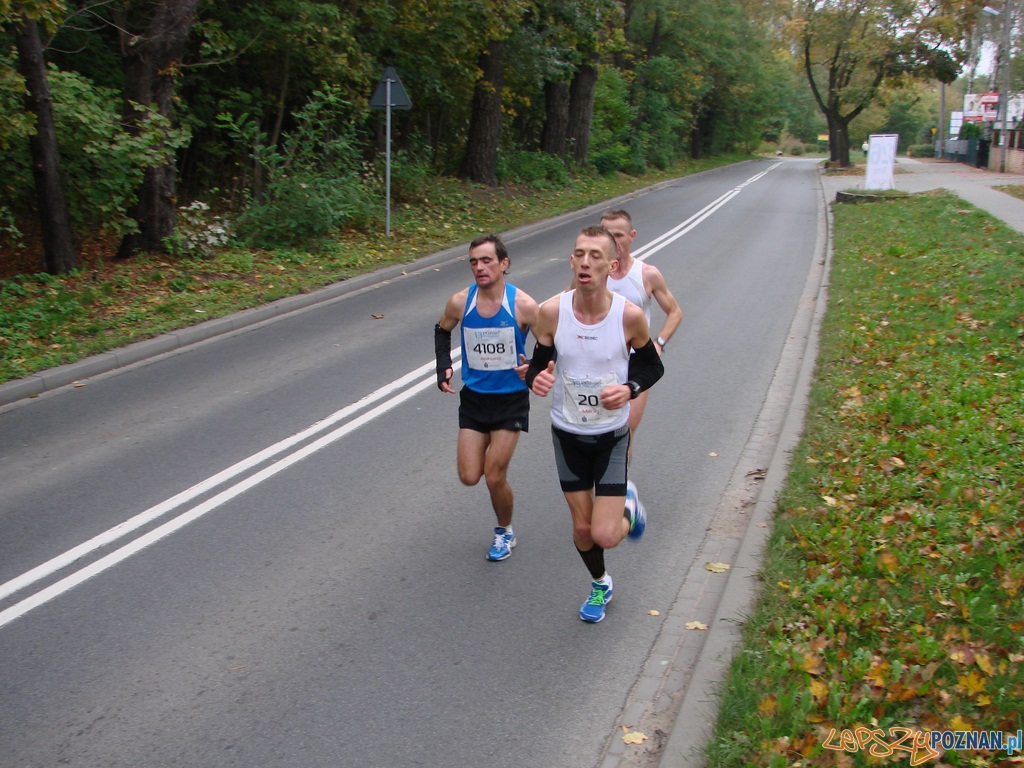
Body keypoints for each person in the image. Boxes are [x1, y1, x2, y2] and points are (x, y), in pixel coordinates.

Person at [523, 225, 664, 622]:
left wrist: (630, 387)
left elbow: (653, 366)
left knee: (604, 534)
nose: (585, 262)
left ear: (612, 265)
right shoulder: (551, 312)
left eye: (595, 256)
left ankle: (628, 510)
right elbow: (539, 363)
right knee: (583, 530)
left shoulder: (629, 317)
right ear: (572, 261)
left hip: (611, 437)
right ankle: (600, 583)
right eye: (579, 254)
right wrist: (538, 378)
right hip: (567, 435)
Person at [435, 234, 540, 561]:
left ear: (503, 264)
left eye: (486, 261)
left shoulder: (523, 304)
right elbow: (442, 330)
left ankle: (504, 531)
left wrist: (534, 367)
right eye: (474, 262)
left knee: (494, 475)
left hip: (510, 400)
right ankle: (502, 516)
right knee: (469, 476)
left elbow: (552, 342)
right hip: (475, 399)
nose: (479, 267)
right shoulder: (459, 302)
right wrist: (443, 368)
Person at [599, 209, 682, 467]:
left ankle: (618, 493)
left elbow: (675, 312)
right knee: (600, 431)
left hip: (636, 362)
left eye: (619, 235)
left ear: (632, 236)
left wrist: (659, 344)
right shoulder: (592, 274)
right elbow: (565, 308)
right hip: (601, 362)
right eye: (606, 235)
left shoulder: (646, 274)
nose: (613, 242)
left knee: (626, 430)